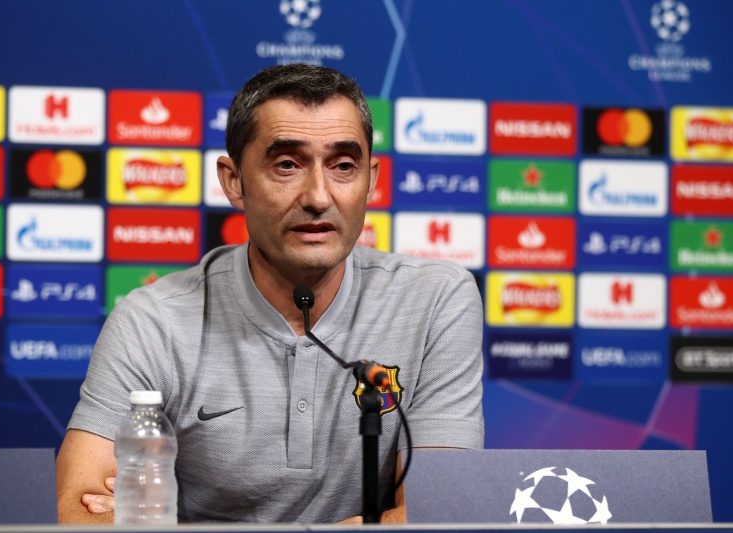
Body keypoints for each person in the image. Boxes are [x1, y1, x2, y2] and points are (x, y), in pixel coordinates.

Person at [56, 63, 484, 524]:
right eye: (287, 165)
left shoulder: (437, 300)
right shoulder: (153, 319)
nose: (318, 196)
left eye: (343, 166)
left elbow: (444, 511)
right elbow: (77, 509)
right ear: (233, 180)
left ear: (371, 181)